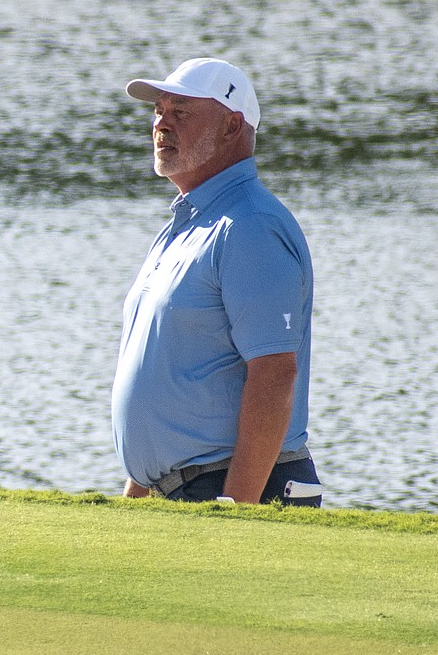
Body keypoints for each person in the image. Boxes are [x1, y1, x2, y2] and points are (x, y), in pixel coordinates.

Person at [110, 57, 322, 506]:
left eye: (181, 112)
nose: (162, 124)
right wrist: (138, 493)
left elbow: (274, 375)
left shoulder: (250, 226)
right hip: (184, 489)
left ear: (231, 128)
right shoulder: (186, 225)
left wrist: (234, 511)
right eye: (159, 111)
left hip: (233, 490)